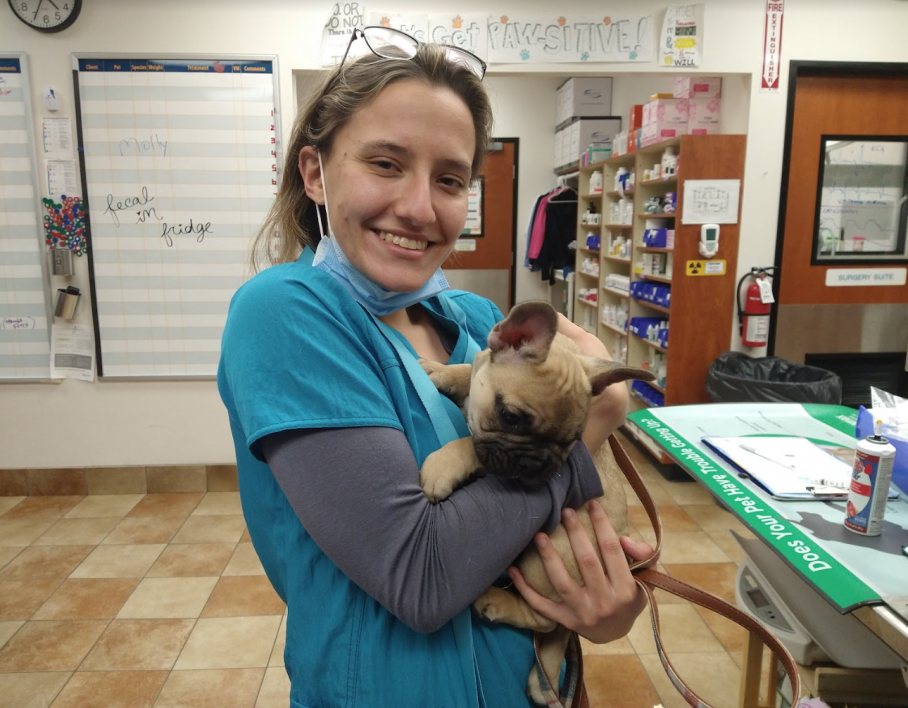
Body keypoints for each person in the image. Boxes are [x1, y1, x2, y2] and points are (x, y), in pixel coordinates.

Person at [218, 26, 653, 708]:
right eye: (386, 164)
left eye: (450, 179)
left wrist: (607, 613)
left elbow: (577, 558)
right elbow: (422, 576)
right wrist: (577, 438)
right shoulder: (284, 315)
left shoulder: (481, 321)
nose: (420, 208)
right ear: (314, 172)